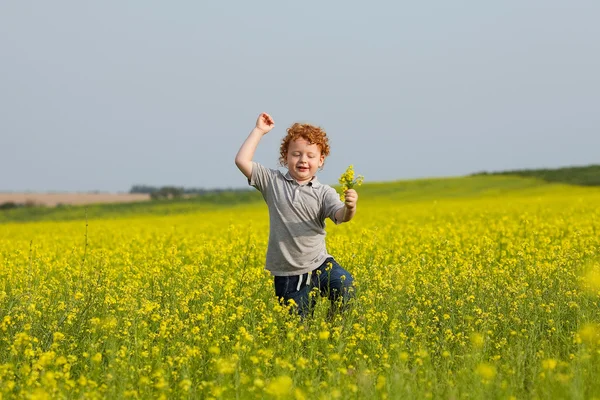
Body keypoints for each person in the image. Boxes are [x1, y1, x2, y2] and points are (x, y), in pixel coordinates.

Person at [235, 112, 359, 318]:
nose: (303, 160)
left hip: (320, 264)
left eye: (310, 156)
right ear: (285, 157)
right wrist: (259, 131)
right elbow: (242, 160)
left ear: (321, 161)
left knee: (347, 286)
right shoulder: (272, 182)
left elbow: (340, 216)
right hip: (288, 274)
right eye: (296, 154)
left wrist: (350, 207)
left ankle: (334, 330)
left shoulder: (324, 192)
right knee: (297, 329)